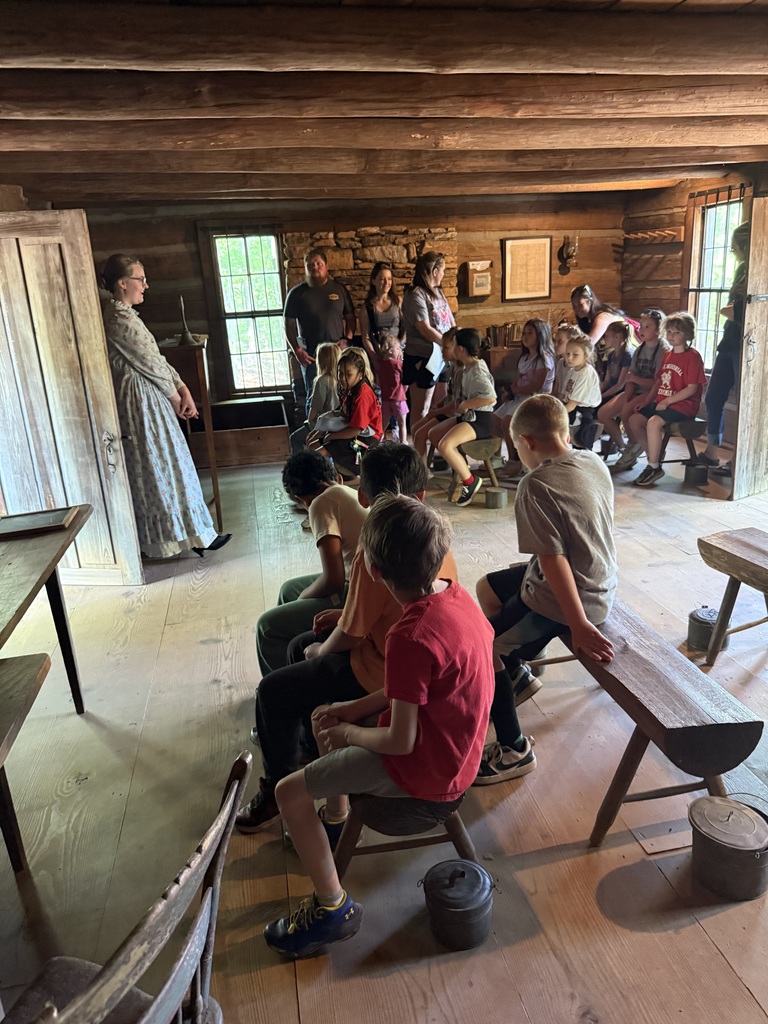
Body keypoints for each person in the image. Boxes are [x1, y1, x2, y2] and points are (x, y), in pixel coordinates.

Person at [262, 494, 494, 958]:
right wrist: (349, 711)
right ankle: (334, 815)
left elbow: (399, 739)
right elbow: (413, 692)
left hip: (426, 773)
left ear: (373, 571)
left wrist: (349, 732)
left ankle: (332, 909)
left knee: (288, 791)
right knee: (327, 713)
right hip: (459, 754)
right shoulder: (457, 599)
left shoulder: (408, 635)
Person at [235, 442, 458, 833]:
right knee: (297, 647)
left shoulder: (376, 550)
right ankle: (305, 742)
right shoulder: (435, 540)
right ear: (422, 495)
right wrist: (340, 622)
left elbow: (353, 635)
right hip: (413, 658)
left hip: (387, 670)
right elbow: (386, 610)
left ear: (362, 495)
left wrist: (319, 649)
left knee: (275, 686)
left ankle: (277, 788)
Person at [474, 395, 616, 782]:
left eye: (516, 446)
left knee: (484, 649)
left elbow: (554, 561)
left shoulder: (535, 484)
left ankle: (513, 749)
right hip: (601, 581)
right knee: (487, 587)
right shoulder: (593, 461)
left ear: (527, 442)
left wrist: (580, 624)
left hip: (569, 599)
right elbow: (581, 533)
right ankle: (516, 673)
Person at [100, 254, 231, 560]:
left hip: (151, 395)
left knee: (172, 462)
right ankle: (171, 539)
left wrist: (182, 388)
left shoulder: (127, 316)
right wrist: (177, 397)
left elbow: (156, 357)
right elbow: (150, 363)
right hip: (140, 401)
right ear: (122, 283)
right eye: (140, 279)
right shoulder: (118, 319)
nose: (146, 285)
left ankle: (195, 534)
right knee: (159, 464)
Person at [255, 451, 367, 675]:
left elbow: (333, 580)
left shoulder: (319, 503)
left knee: (267, 627)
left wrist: (304, 597)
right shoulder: (344, 490)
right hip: (356, 579)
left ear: (301, 500)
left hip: (356, 590)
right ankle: (295, 662)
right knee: (288, 590)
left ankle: (281, 683)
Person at [627, 312, 707, 487]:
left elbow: (692, 388)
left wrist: (668, 401)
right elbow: (659, 382)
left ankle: (654, 466)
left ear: (687, 334)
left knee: (654, 422)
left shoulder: (692, 357)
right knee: (635, 420)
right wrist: (648, 401)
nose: (672, 336)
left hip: (683, 405)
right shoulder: (668, 355)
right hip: (663, 402)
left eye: (677, 332)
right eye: (669, 332)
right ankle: (653, 459)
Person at [700, 222, 750, 476]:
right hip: (729, 342)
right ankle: (712, 452)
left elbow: (747, 311)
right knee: (714, 396)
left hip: (747, 346)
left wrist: (731, 312)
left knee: (746, 404)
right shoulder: (742, 269)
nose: (733, 251)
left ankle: (741, 458)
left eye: (734, 247)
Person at [284, 249, 355, 414]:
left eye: (318, 264)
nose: (315, 267)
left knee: (343, 394)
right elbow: (288, 325)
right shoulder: (296, 294)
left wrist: (347, 339)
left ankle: (340, 435)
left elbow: (351, 317)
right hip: (311, 357)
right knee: (313, 397)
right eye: (310, 265)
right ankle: (314, 435)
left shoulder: (339, 290)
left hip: (338, 353)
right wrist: (297, 350)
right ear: (305, 268)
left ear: (326, 266)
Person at [431, 327, 497, 507]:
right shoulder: (468, 367)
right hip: (470, 416)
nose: (451, 348)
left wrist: (467, 404)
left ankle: (470, 481)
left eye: (453, 344)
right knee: (435, 433)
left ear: (460, 349)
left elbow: (490, 396)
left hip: (480, 420)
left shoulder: (476, 369)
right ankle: (460, 466)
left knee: (445, 444)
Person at [494, 318, 556, 478]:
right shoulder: (524, 358)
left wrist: (516, 389)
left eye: (530, 333)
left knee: (508, 422)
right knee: (493, 420)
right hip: (520, 396)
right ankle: (496, 459)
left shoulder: (543, 359)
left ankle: (514, 461)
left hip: (536, 399)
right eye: (524, 333)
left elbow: (537, 385)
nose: (525, 336)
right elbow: (516, 380)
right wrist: (509, 392)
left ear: (541, 335)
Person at [308, 348, 383, 479]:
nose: (342, 378)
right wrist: (322, 430)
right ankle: (326, 479)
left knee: (320, 451)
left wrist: (331, 437)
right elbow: (343, 416)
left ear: (360, 374)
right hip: (353, 432)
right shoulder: (350, 389)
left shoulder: (363, 395)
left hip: (367, 440)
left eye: (348, 374)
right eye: (340, 373)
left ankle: (321, 481)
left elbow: (355, 430)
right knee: (312, 444)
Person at [612, 309, 669, 471]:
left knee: (626, 413)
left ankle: (634, 444)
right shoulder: (639, 349)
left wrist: (634, 382)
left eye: (646, 327)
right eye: (641, 326)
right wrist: (628, 396)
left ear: (658, 331)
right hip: (637, 390)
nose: (640, 330)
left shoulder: (663, 351)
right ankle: (632, 442)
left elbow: (658, 382)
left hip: (653, 392)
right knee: (606, 412)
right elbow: (631, 377)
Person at [402, 251, 455, 423]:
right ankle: (418, 448)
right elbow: (424, 328)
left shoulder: (438, 293)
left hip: (442, 356)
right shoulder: (416, 294)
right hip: (423, 357)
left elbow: (451, 321)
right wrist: (448, 344)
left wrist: (457, 339)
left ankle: (432, 446)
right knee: (422, 408)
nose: (443, 274)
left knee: (439, 405)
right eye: (443, 270)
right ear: (434, 271)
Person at [410, 329, 460, 460]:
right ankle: (422, 467)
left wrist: (438, 411)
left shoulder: (463, 371)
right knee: (416, 428)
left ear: (458, 348)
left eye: (446, 348)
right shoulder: (452, 367)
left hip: (456, 415)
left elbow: (458, 404)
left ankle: (422, 471)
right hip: (448, 411)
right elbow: (451, 396)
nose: (442, 351)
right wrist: (439, 405)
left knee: (421, 434)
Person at [289, 342, 341, 454]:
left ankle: (300, 467)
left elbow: (315, 408)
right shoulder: (342, 379)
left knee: (294, 439)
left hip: (322, 424)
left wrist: (309, 420)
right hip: (338, 423)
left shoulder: (322, 380)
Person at [595, 320, 636, 453]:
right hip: (610, 391)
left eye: (607, 335)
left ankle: (621, 446)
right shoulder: (612, 355)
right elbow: (606, 381)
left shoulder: (627, 355)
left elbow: (620, 384)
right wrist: (597, 393)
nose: (604, 338)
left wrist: (602, 396)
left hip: (621, 393)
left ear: (617, 336)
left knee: (600, 412)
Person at [558, 330, 602, 449]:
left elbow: (572, 404)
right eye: (567, 354)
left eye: (575, 354)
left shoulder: (586, 374)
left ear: (586, 355)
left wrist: (555, 414)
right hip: (569, 406)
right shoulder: (572, 371)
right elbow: (563, 395)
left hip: (583, 411)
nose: (570, 358)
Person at [570, 284, 627, 367]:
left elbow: (589, 343)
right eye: (574, 306)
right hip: (613, 359)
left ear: (591, 300)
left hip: (624, 359)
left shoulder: (602, 318)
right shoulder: (588, 320)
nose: (577, 309)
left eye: (580, 304)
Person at [359, 261, 404, 363]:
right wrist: (374, 357)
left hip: (399, 355)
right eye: (382, 279)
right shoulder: (367, 307)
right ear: (373, 281)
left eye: (389, 279)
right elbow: (365, 336)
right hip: (378, 354)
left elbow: (406, 328)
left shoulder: (398, 302)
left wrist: (400, 349)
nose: (387, 283)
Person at [375, 332, 408, 444]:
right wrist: (404, 390)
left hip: (385, 399)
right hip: (399, 398)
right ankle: (403, 442)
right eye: (398, 348)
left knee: (383, 424)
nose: (400, 351)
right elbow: (405, 379)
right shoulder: (398, 364)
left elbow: (378, 382)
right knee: (402, 422)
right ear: (390, 350)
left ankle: (378, 441)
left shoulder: (380, 364)